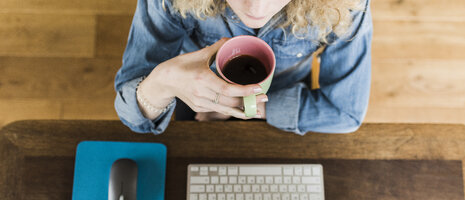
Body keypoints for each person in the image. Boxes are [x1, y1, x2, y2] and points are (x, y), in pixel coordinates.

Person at [114, 0, 372, 135]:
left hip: (284, 97)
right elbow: (132, 115)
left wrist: (245, 108)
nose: (256, 9)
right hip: (191, 93)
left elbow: (346, 113)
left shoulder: (346, 4)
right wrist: (164, 80)